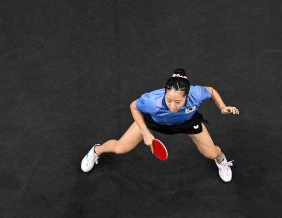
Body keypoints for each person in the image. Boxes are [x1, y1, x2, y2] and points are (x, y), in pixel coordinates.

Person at [80, 68, 239, 182]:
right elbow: (133, 106)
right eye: (169, 100)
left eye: (178, 102)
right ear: (165, 92)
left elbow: (211, 91)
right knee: (120, 148)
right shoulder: (151, 101)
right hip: (154, 122)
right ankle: (96, 150)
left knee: (211, 153)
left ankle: (222, 160)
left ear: (187, 96)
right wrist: (145, 132)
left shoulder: (196, 94)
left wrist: (222, 107)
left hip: (187, 122)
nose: (172, 105)